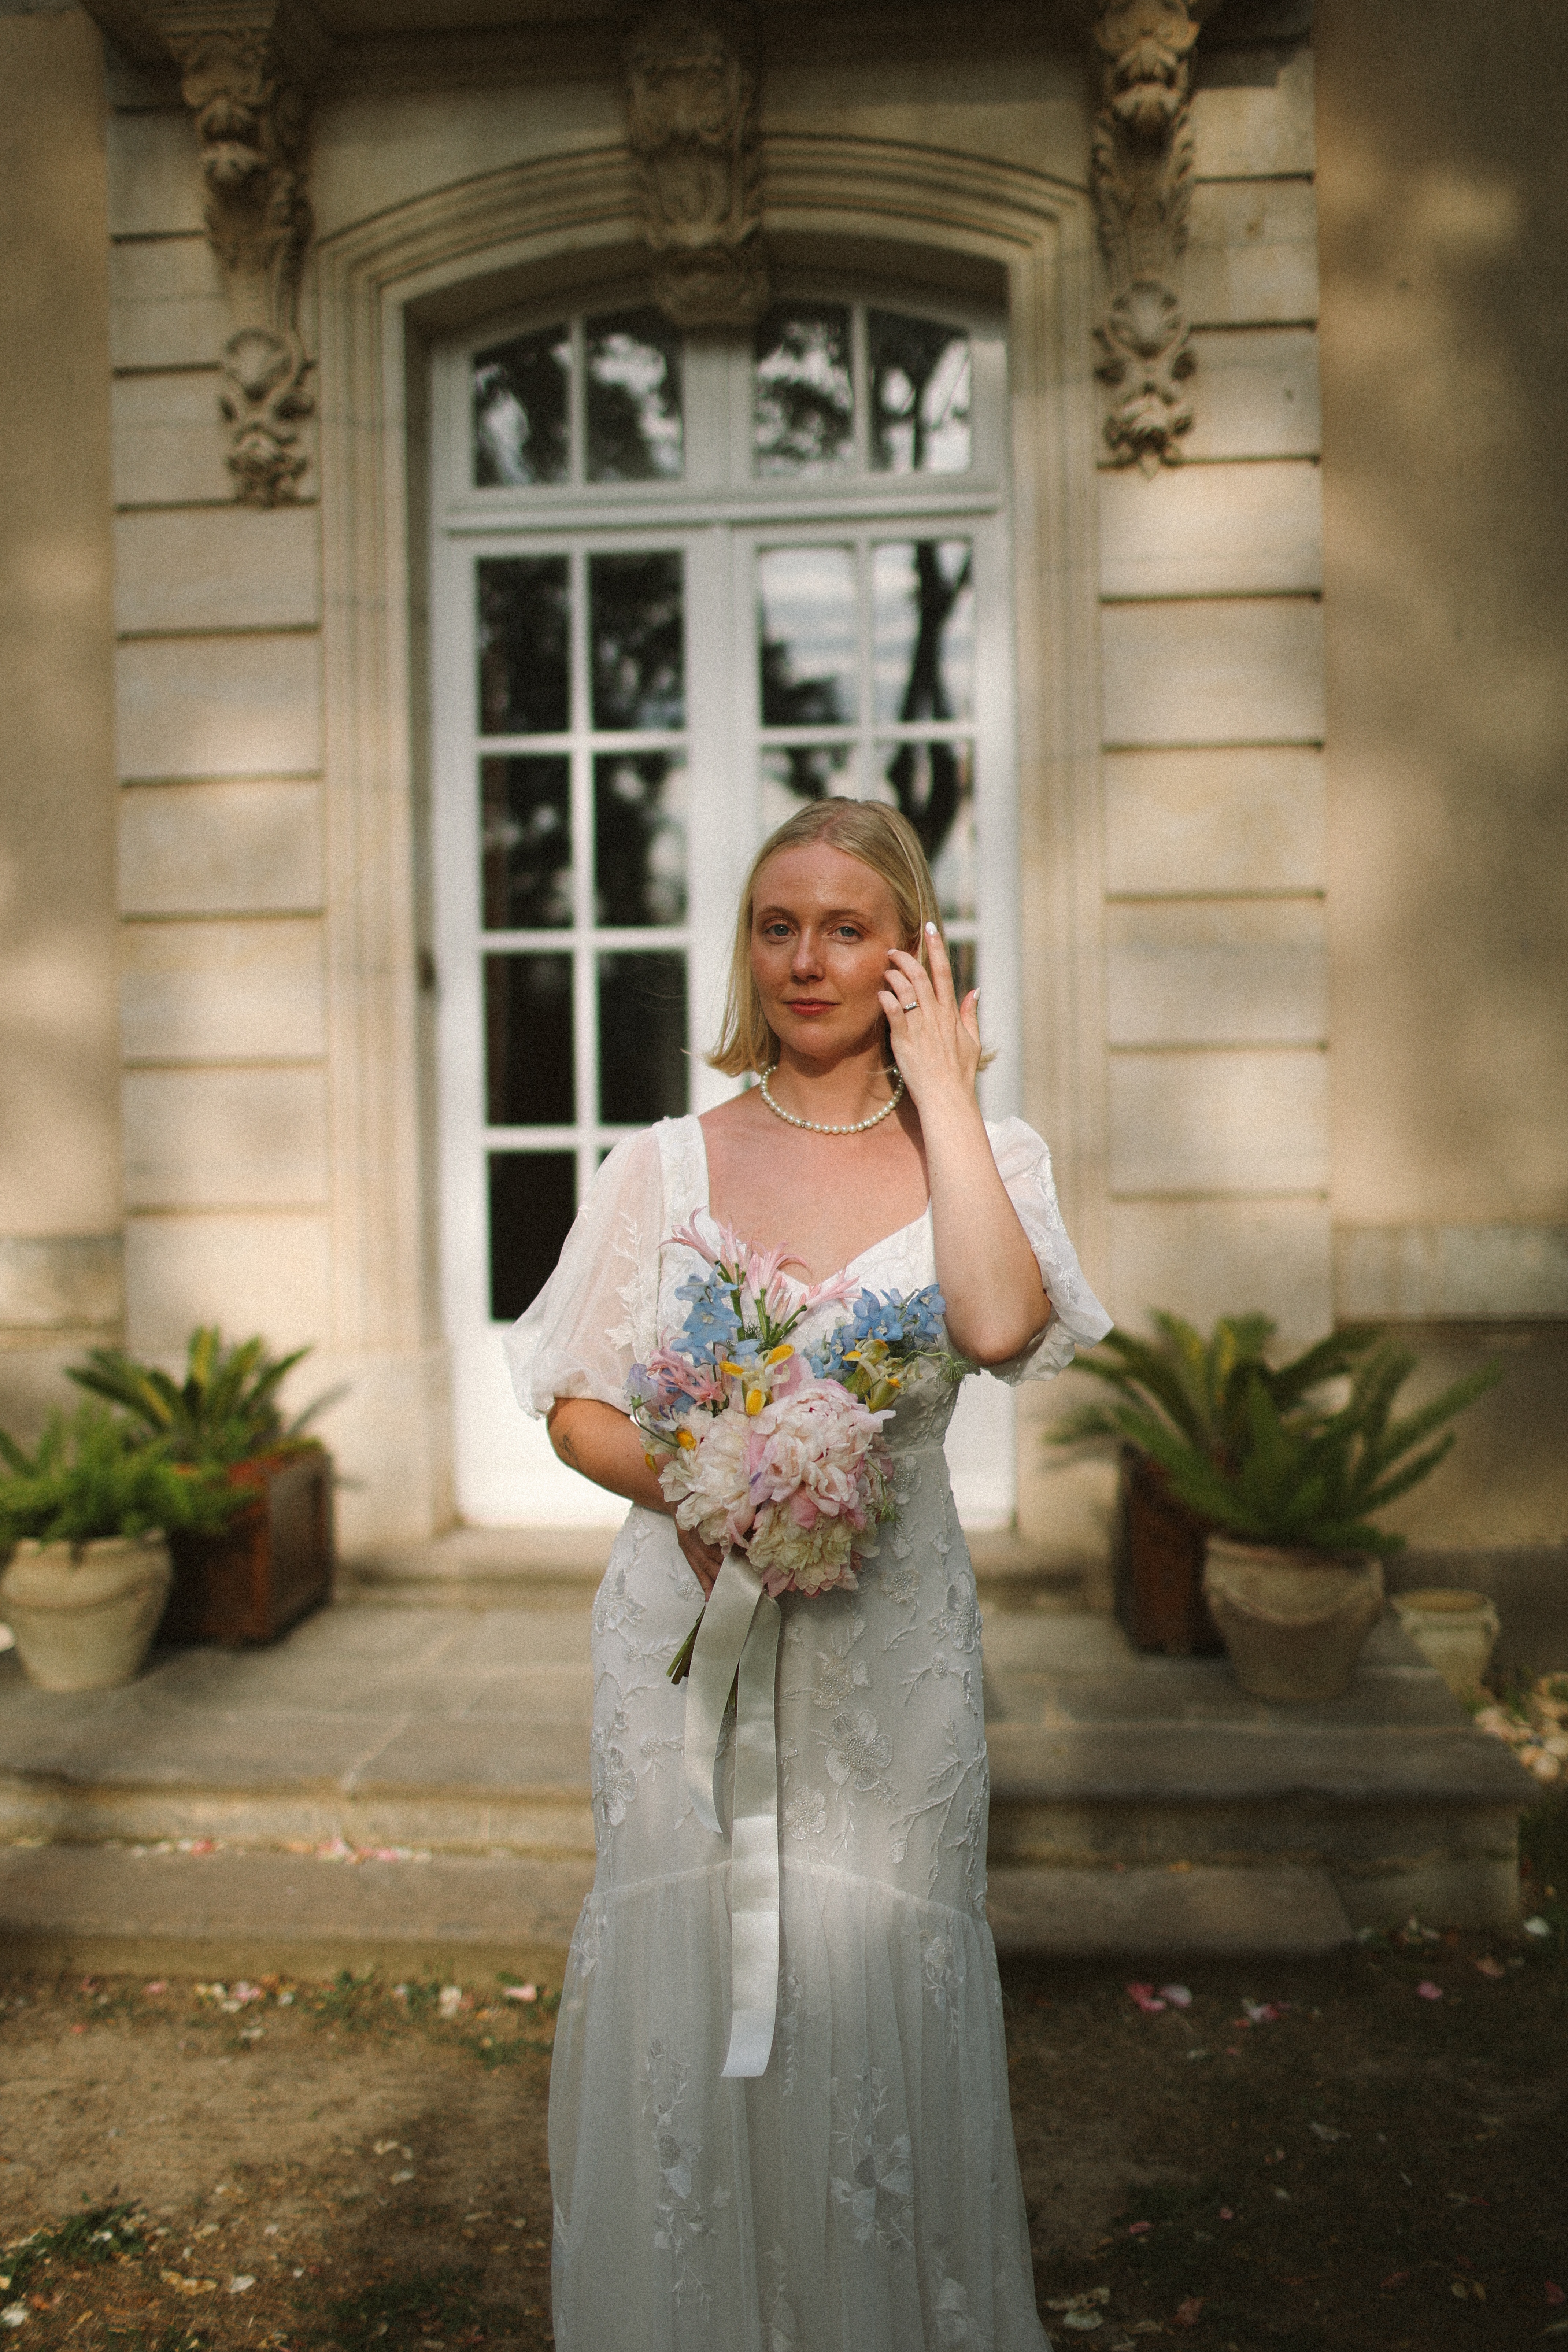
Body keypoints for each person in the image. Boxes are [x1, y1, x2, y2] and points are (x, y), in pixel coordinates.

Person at [505, 797, 1110, 2351]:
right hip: (690, 1653)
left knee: (877, 1993)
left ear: (908, 953)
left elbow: (989, 1325)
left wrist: (948, 1098)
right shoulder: (664, 1165)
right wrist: (702, 1487)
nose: (805, 960)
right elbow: (576, 1403)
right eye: (778, 927)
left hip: (889, 1667)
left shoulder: (987, 1155)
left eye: (846, 928)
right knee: (687, 1993)